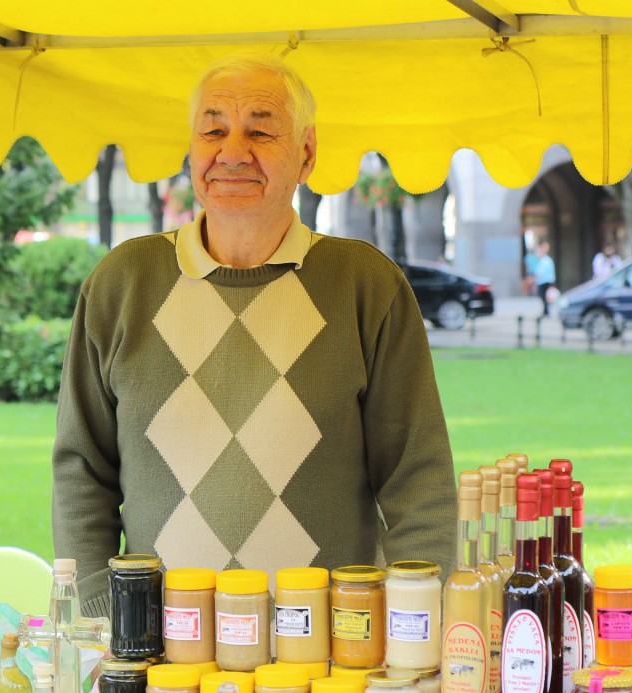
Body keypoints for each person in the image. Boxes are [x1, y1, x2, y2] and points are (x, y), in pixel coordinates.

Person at [52, 53, 457, 618]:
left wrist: (419, 621)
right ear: (192, 149)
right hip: (158, 644)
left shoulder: (365, 286)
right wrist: (99, 614)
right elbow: (82, 469)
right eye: (213, 130)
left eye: (261, 131)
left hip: (327, 646)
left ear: (307, 154)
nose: (233, 152)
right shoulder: (124, 283)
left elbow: (418, 479)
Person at [529, 240, 557, 317]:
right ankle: (546, 311)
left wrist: (532, 280)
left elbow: (539, 273)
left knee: (545, 297)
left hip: (545, 282)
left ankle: (546, 311)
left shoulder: (545, 261)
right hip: (544, 281)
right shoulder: (543, 260)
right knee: (544, 297)